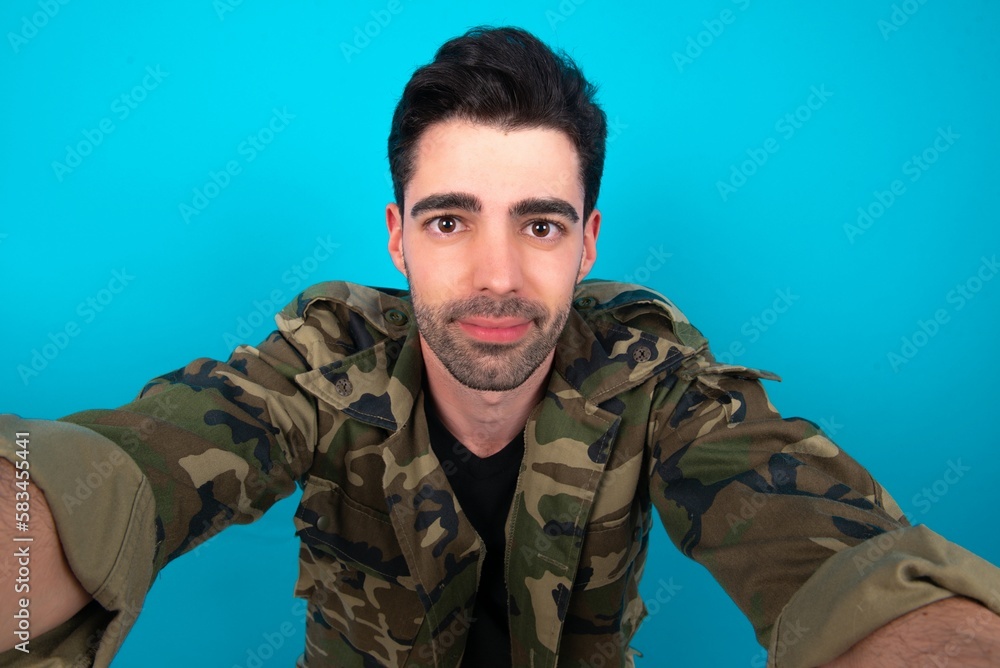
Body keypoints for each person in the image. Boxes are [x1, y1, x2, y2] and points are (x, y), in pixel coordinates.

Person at [2, 25, 999, 668]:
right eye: (449, 221)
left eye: (539, 223)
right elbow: (124, 472)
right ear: (395, 236)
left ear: (588, 241)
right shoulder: (321, 366)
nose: (495, 276)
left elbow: (828, 546)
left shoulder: (652, 377)